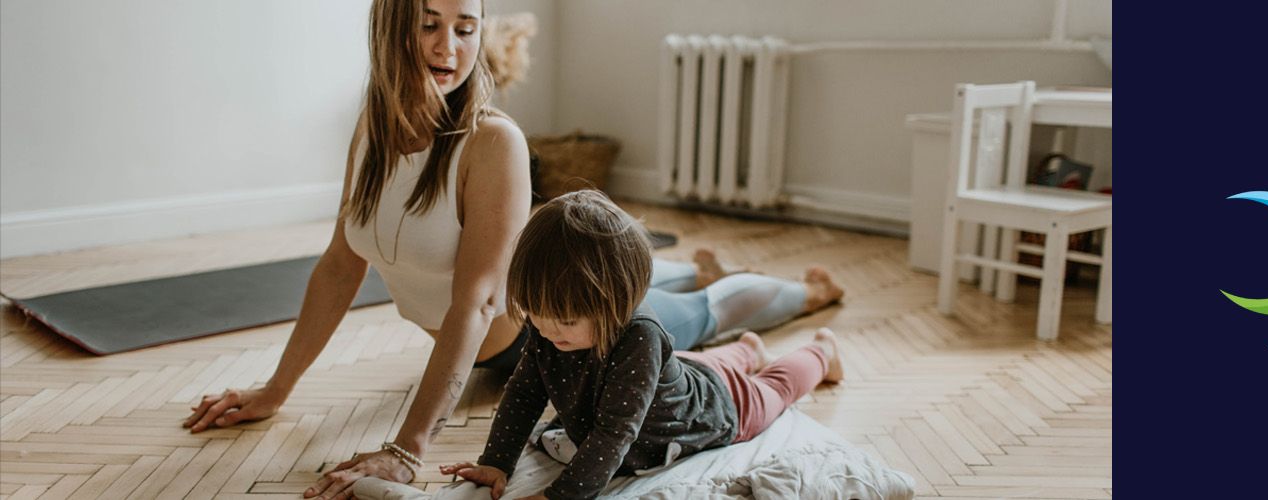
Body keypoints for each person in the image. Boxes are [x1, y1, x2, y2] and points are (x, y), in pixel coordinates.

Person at [174, 2, 836, 498]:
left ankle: (802, 296)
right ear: (390, 25)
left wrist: (408, 449)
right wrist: (276, 388)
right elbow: (339, 265)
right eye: (429, 23)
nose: (448, 46)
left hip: (550, 335)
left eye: (465, 28)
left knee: (700, 312)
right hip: (520, 328)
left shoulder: (492, 141)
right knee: (664, 285)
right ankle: (696, 272)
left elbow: (480, 300)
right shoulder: (371, 132)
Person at [440, 191, 844, 499]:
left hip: (717, 406)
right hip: (678, 373)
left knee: (774, 388)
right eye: (536, 317)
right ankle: (748, 349)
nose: (546, 331)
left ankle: (821, 352)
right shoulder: (550, 327)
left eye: (563, 321)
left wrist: (561, 496)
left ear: (616, 302)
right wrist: (496, 461)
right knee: (701, 366)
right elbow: (525, 393)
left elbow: (614, 433)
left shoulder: (640, 337)